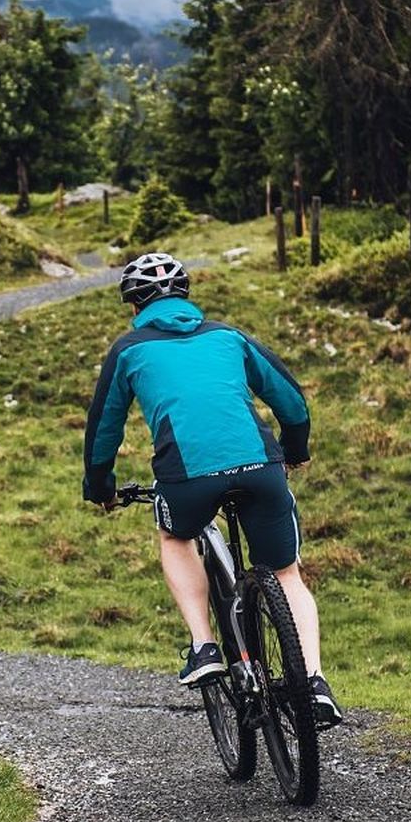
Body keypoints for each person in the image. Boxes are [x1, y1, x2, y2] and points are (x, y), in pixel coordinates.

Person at [82, 251, 341, 725]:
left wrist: (101, 487)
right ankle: (315, 683)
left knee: (176, 537)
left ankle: (204, 647)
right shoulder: (228, 336)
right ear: (186, 293)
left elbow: (104, 430)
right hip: (261, 466)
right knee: (286, 575)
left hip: (187, 477)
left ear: (133, 304)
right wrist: (296, 449)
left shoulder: (128, 349)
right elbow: (291, 400)